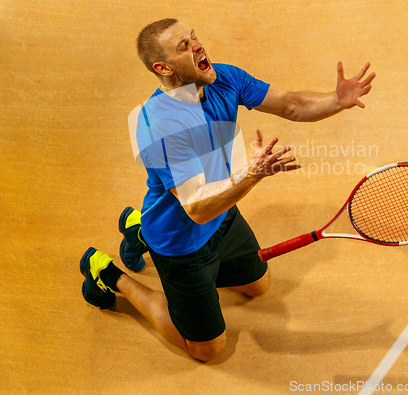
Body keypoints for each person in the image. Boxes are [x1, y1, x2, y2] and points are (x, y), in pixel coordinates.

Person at [80, 18, 375, 362]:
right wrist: (252, 176)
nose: (198, 46)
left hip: (223, 215)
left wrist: (336, 101)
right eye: (184, 47)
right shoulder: (161, 124)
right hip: (181, 241)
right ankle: (112, 276)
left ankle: (136, 228)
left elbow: (290, 104)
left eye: (195, 38)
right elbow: (195, 209)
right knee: (208, 349)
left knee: (258, 287)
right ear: (163, 67)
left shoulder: (225, 79)